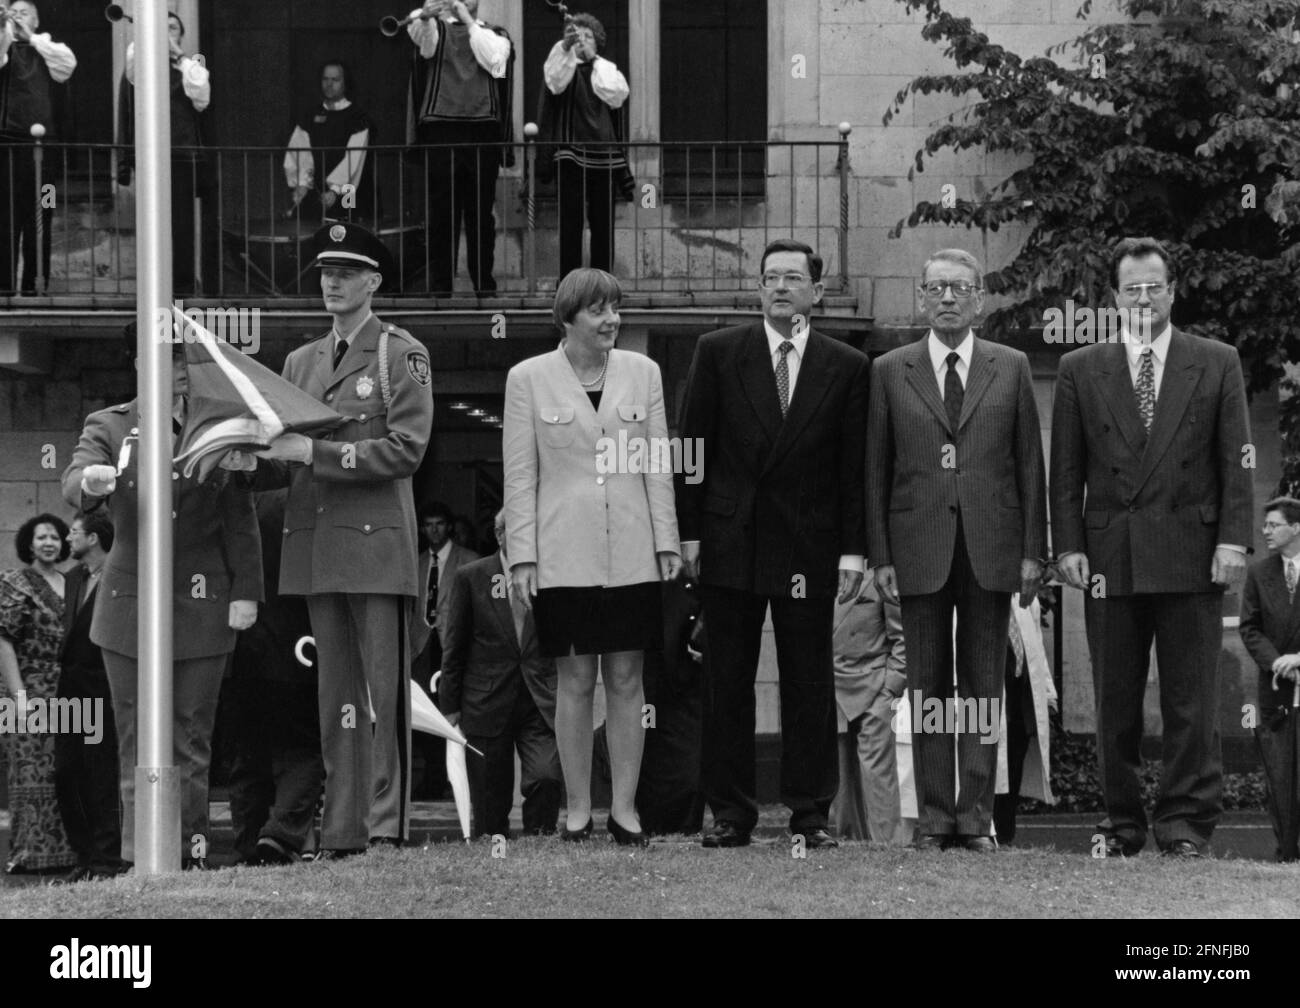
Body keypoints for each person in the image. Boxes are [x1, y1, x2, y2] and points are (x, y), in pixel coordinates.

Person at [1050, 236, 1253, 858]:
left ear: (1172, 291)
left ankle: (1185, 825)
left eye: (1153, 287)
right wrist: (1069, 546)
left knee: (1191, 701)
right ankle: (1120, 822)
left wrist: (1234, 541)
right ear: (1115, 297)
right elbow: (1066, 471)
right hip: (1110, 558)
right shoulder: (1080, 368)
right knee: (1115, 702)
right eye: (1131, 289)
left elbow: (1236, 461)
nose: (1143, 298)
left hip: (1193, 554)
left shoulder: (1217, 360)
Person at [241, 221, 434, 857]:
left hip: (376, 547)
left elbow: (406, 449)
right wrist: (245, 461)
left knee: (383, 693)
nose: (331, 281)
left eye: (346, 271)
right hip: (320, 546)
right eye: (326, 270)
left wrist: (316, 453)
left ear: (373, 282)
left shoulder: (399, 353)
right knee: (336, 698)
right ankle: (344, 828)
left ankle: (386, 825)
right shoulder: (300, 360)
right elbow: (288, 457)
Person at [676, 239, 869, 850]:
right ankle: (731, 814)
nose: (780, 287)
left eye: (793, 277)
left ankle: (810, 813)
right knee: (726, 680)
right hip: (731, 538)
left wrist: (852, 551)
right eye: (770, 278)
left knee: (809, 680)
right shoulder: (718, 351)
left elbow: (853, 468)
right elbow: (692, 448)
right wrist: (690, 532)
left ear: (817, 288)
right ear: (758, 289)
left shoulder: (846, 364)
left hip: (808, 544)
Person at [866, 247, 1046, 853]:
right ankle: (936, 817)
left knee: (981, 687)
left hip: (991, 549)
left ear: (980, 300)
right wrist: (880, 556)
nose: (948, 298)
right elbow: (876, 471)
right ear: (920, 296)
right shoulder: (891, 369)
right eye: (937, 287)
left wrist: (1032, 553)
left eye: (960, 288)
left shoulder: (1012, 365)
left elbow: (1029, 466)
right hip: (917, 548)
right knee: (927, 687)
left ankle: (974, 818)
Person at [62, 328, 262, 869]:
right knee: (134, 738)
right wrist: (94, 482)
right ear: (138, 362)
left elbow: (240, 514)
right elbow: (76, 477)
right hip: (129, 605)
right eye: (168, 358)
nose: (180, 368)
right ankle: (140, 859)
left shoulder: (218, 422)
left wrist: (247, 590)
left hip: (203, 603)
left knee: (192, 737)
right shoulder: (110, 423)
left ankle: (190, 854)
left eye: (185, 358)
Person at [503, 267, 680, 846]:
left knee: (627, 676)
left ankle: (624, 810)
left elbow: (658, 464)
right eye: (599, 311)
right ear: (568, 319)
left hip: (632, 551)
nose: (612, 321)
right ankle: (577, 810)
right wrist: (522, 556)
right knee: (574, 678)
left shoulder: (644, 372)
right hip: (562, 553)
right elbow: (521, 473)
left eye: (616, 308)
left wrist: (666, 542)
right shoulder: (527, 378)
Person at [439, 509, 561, 837]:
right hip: (486, 701)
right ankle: (497, 855)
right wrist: (449, 707)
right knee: (491, 797)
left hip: (539, 698)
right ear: (499, 535)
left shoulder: (551, 575)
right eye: (515, 532)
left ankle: (540, 846)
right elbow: (455, 646)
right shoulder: (471, 576)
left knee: (546, 776)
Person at [223, 489, 323, 866]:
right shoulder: (309, 503)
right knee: (302, 748)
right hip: (302, 644)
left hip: (247, 646)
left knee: (248, 752)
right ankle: (281, 832)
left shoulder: (243, 505)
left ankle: (249, 841)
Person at [405, 0, 513, 295]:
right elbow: (424, 46)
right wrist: (426, 15)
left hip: (482, 130)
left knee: (480, 213)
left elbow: (497, 65)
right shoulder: (436, 30)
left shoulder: (496, 34)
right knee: (442, 213)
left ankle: (483, 285)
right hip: (442, 129)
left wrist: (466, 19)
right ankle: (441, 287)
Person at [118, 11, 216, 294]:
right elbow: (134, 71)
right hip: (149, 156)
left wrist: (176, 53)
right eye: (162, 28)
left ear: (181, 35)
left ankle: (183, 288)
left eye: (172, 28)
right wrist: (149, 38)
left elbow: (201, 96)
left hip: (182, 154)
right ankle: (153, 286)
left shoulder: (191, 65)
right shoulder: (140, 60)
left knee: (182, 223)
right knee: (151, 222)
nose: (166, 33)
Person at [0, 513, 76, 874]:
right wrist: (18, 697)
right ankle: (30, 855)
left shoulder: (74, 582)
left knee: (68, 770)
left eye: (56, 538)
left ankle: (70, 852)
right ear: (29, 544)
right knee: (31, 773)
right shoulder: (14, 583)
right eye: (42, 537)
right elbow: (2, 640)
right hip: (28, 689)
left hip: (72, 692)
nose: (50, 543)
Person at [53, 511, 122, 882]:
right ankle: (84, 854)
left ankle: (105, 858)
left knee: (99, 772)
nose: (68, 539)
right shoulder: (73, 578)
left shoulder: (121, 574)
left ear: (93, 538)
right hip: (70, 685)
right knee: (67, 771)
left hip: (103, 682)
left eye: (74, 533)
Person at [537, 14, 631, 278]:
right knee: (570, 223)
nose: (583, 40)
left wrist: (593, 58)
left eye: (588, 36)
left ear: (598, 42)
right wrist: (566, 46)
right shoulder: (562, 63)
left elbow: (615, 96)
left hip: (604, 156)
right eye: (578, 36)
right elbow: (554, 83)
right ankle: (569, 283)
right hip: (571, 154)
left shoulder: (607, 68)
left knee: (603, 225)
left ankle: (603, 282)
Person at [1239, 496, 1300, 861]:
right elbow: (1249, 627)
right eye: (1265, 526)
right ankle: (1287, 852)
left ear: (1296, 528)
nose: (1266, 532)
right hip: (1276, 687)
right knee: (1279, 773)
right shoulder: (1259, 573)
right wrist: (1278, 661)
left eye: (1274, 525)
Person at [0, 0, 75, 295]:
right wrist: (6, 28)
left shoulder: (47, 47)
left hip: (46, 153)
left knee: (44, 211)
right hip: (7, 147)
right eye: (13, 13)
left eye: (24, 13)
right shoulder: (5, 47)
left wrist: (29, 37)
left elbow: (67, 65)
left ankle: (35, 286)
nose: (18, 17)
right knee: (5, 217)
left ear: (37, 19)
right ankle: (4, 287)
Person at [828, 579, 908, 845]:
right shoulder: (811, 573)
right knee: (837, 775)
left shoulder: (882, 576)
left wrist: (891, 687)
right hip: (831, 685)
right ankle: (847, 840)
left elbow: (902, 636)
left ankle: (888, 843)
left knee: (878, 774)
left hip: (874, 685)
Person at [410, 499, 477, 800]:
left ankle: (459, 780)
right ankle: (433, 778)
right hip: (422, 644)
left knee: (454, 709)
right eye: (428, 525)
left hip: (454, 643)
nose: (434, 530)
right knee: (425, 712)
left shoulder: (469, 560)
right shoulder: (417, 561)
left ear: (449, 526)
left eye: (439, 524)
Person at [993, 590, 1057, 845]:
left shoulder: (1025, 600)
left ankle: (1005, 835)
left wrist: (1048, 693)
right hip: (988, 696)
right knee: (988, 759)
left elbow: (1037, 649)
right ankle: (984, 831)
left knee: (1014, 759)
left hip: (1021, 694)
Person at [284, 60, 375, 223]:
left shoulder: (358, 117)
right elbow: (299, 151)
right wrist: (302, 183)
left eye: (335, 79)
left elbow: (354, 160)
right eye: (325, 79)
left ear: (345, 83)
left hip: (349, 191)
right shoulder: (310, 115)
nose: (329, 84)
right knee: (310, 235)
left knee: (348, 230)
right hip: (316, 194)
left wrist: (335, 189)